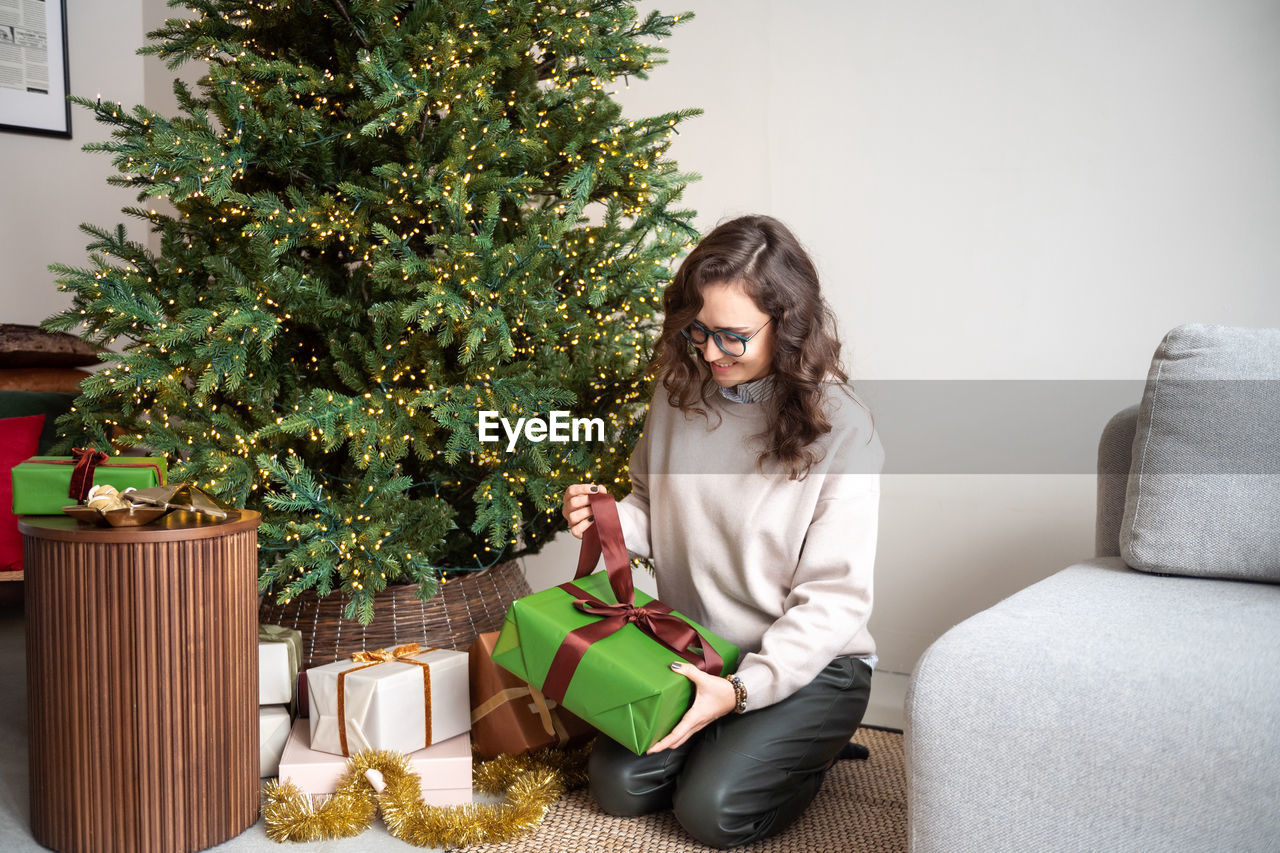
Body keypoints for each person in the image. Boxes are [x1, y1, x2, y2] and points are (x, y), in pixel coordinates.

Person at [560, 214, 885, 849]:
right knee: (618, 789)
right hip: (698, 648)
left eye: (732, 337)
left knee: (712, 813)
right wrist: (605, 520)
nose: (710, 353)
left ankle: (807, 747)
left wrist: (741, 692)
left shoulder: (843, 429)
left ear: (787, 326)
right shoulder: (682, 390)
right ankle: (740, 737)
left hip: (814, 664)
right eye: (699, 331)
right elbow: (653, 509)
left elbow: (834, 602)